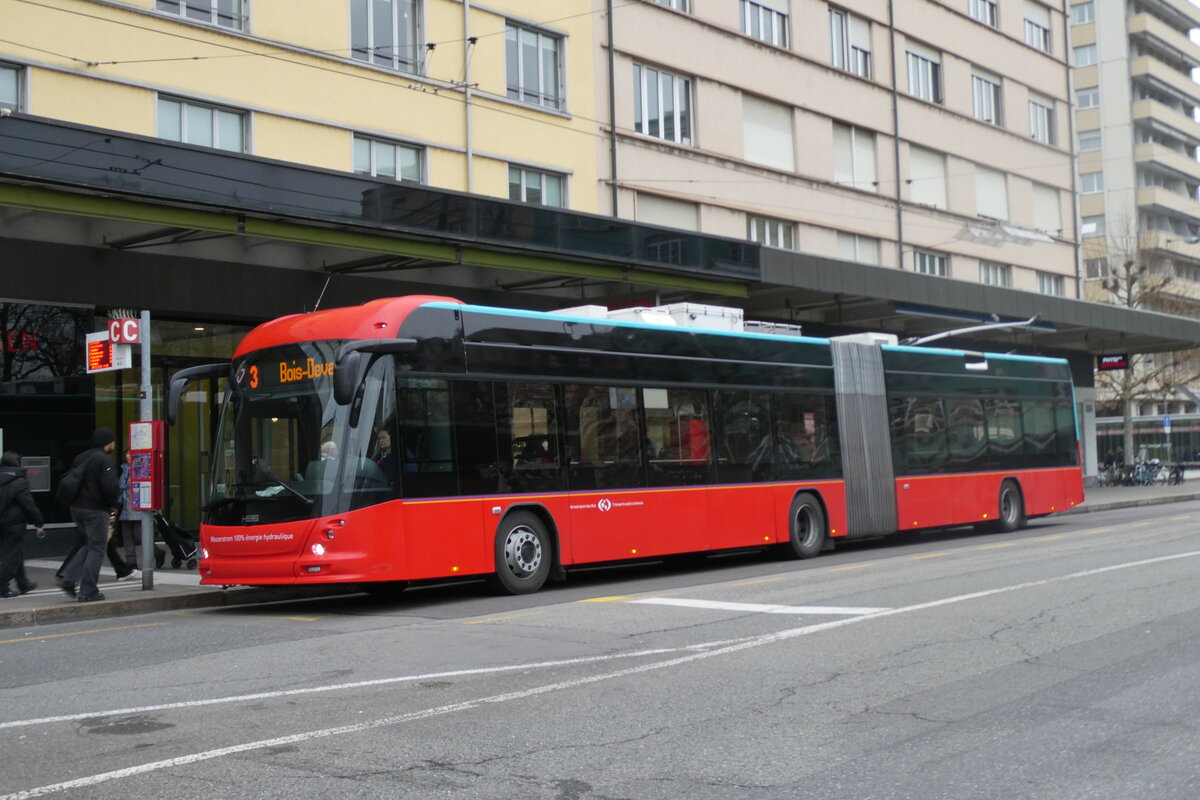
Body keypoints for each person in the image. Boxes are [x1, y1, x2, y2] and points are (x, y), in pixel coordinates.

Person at [58, 428, 122, 602]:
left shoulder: (81, 457)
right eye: (113, 442)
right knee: (97, 549)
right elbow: (110, 487)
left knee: (89, 544)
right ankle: (88, 591)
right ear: (108, 443)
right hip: (95, 510)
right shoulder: (104, 459)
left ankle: (69, 578)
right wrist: (112, 507)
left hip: (77, 508)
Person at [0, 451, 44, 598]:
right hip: (14, 523)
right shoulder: (19, 482)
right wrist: (38, 522)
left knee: (15, 553)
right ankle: (2, 586)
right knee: (11, 556)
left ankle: (23, 583)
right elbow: (29, 505)